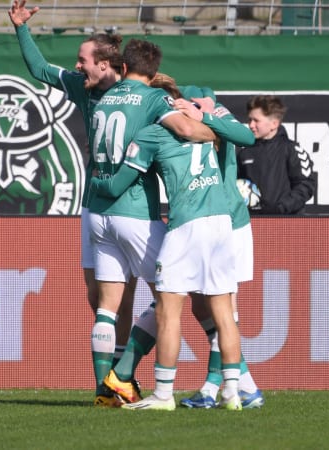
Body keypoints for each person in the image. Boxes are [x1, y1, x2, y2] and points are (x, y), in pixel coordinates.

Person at [102, 79, 265, 409]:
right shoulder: (216, 122)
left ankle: (167, 391)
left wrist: (97, 181)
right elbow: (245, 136)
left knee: (170, 307)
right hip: (225, 220)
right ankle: (231, 390)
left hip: (199, 222)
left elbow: (123, 178)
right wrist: (204, 115)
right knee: (219, 311)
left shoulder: (164, 128)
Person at [8, 0, 137, 407]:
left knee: (131, 298)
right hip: (93, 206)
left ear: (105, 63)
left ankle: (119, 379)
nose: (76, 66)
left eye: (83, 60)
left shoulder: (137, 93)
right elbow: (40, 70)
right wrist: (21, 29)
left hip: (131, 207)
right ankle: (111, 385)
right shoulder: (84, 88)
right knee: (97, 295)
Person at [85, 39, 216, 408]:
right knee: (169, 297)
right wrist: (216, 130)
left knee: (107, 309)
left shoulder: (103, 96)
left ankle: (104, 390)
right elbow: (187, 130)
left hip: (98, 213)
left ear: (122, 68)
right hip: (133, 213)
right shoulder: (153, 98)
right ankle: (122, 375)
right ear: (153, 74)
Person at [236, 95, 315, 215]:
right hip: (252, 223)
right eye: (249, 120)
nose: (251, 125)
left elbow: (305, 185)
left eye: (256, 120)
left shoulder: (292, 149)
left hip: (287, 223)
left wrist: (281, 208)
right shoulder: (244, 153)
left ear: (274, 124)